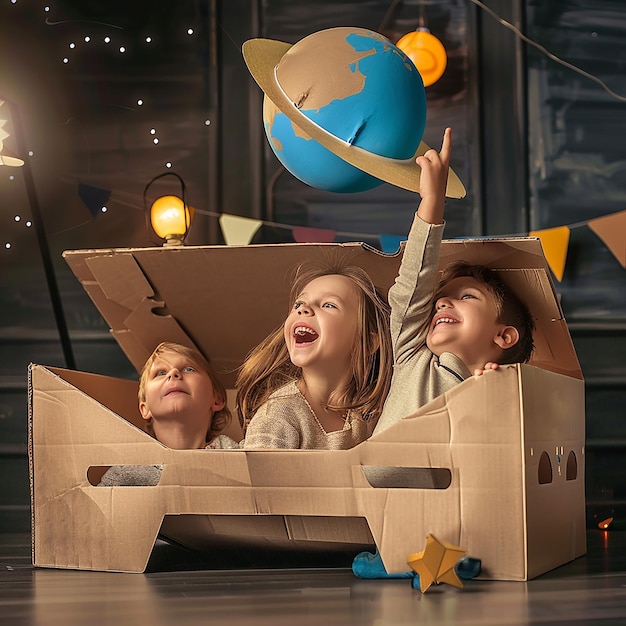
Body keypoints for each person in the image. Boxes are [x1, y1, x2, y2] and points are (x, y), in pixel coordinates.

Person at [374, 128, 535, 434]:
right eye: (438, 301)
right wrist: (432, 201)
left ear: (503, 337)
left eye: (467, 297)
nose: (442, 303)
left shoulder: (493, 393)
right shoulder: (411, 355)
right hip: (380, 482)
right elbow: (413, 286)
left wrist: (499, 396)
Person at [236, 263, 393, 449]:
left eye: (329, 305)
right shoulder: (277, 416)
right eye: (299, 304)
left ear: (368, 341)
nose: (304, 309)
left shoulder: (372, 415)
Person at [98, 341, 239, 486]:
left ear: (217, 399)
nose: (174, 373)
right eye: (160, 373)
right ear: (145, 409)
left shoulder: (234, 454)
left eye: (189, 369)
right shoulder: (126, 472)